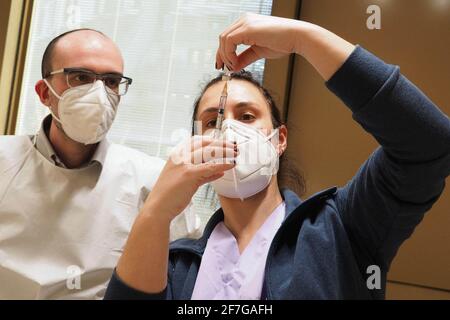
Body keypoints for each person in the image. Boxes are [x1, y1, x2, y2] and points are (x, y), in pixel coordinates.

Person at [104, 14, 450, 299]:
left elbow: (428, 144)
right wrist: (154, 214)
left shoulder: (341, 228)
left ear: (279, 139)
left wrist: (305, 39)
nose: (229, 130)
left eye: (248, 116)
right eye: (213, 121)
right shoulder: (174, 264)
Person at [0, 29, 200, 299]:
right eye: (80, 77)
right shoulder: (4, 160)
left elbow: (185, 280)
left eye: (111, 81)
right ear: (44, 93)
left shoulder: (153, 182)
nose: (99, 94)